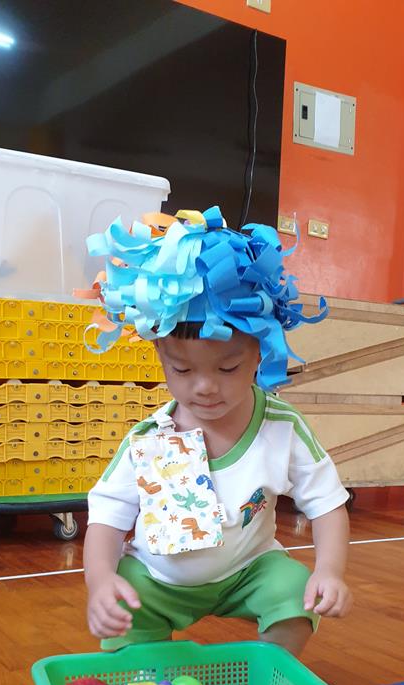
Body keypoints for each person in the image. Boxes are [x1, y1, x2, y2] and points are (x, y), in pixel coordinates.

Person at [82, 206, 352, 655]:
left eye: (227, 368)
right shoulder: (149, 438)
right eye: (182, 369)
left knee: (293, 589)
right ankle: (150, 677)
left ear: (260, 353)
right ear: (161, 357)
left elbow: (327, 504)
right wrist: (100, 580)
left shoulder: (282, 426)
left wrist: (330, 570)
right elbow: (106, 519)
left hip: (249, 572)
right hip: (158, 580)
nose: (205, 387)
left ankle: (269, 674)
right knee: (125, 601)